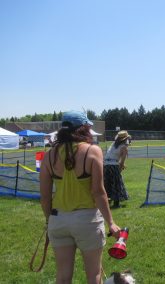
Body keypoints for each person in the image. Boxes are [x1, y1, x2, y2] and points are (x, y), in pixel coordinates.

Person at [40, 111, 121, 284]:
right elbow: (98, 192)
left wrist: (49, 221)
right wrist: (111, 223)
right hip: (87, 221)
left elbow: (45, 197)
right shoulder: (93, 151)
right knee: (93, 275)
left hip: (58, 221)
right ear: (83, 128)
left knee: (62, 276)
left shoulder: (49, 156)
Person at [104, 130, 131, 208]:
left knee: (107, 183)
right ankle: (116, 204)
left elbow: (111, 156)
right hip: (114, 166)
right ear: (125, 139)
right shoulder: (124, 147)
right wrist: (120, 169)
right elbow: (121, 162)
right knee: (117, 183)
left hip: (106, 165)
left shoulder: (113, 144)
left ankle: (108, 201)